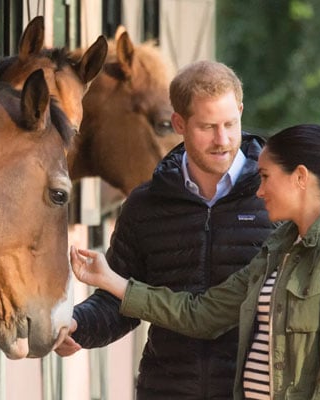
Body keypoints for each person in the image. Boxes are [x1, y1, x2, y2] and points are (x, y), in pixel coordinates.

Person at [70, 123, 320, 400]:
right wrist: (111, 281)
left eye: (266, 177)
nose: (260, 190)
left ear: (301, 177)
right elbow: (203, 314)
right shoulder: (279, 247)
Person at [55, 60, 275, 399]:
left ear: (241, 111)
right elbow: (120, 298)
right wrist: (79, 325)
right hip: (166, 390)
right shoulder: (146, 204)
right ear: (179, 124)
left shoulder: (273, 199)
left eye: (231, 123)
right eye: (208, 127)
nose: (223, 140)